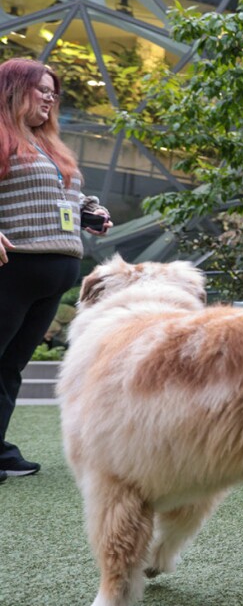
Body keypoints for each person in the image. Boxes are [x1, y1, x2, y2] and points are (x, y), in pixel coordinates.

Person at [0, 58, 112, 478]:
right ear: (12, 90)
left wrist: (92, 212)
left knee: (10, 366)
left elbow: (69, 199)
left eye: (53, 92)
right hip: (12, 269)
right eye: (40, 89)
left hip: (54, 270)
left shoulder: (47, 145)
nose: (49, 97)